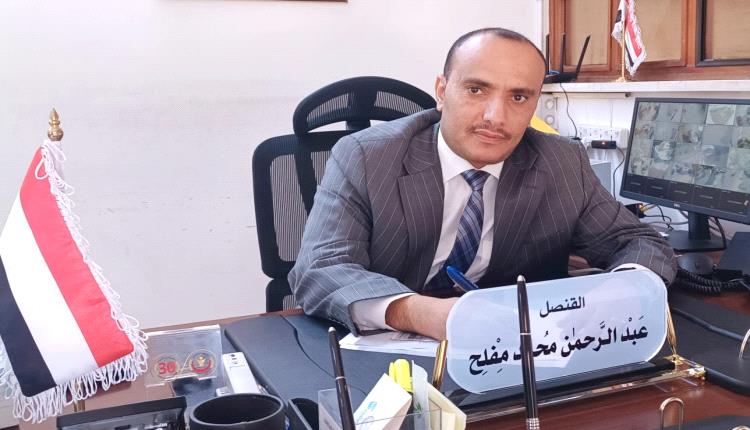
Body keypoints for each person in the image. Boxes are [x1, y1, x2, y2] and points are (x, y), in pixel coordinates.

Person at [288, 28, 677, 340]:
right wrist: (420, 312)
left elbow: (639, 242)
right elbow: (320, 269)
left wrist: (618, 296)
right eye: (476, 90)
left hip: (515, 353)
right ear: (442, 91)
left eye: (519, 97)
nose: (496, 117)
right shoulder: (366, 156)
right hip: (387, 352)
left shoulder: (561, 161)